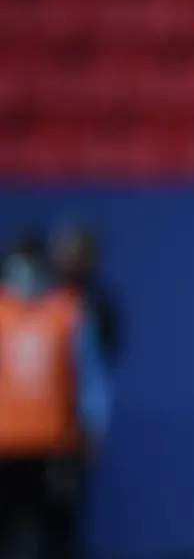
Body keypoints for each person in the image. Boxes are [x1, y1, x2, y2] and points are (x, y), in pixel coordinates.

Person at [0, 234, 110, 559]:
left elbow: (90, 377)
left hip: (55, 444)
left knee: (54, 532)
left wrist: (93, 425)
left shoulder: (68, 310)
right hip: (5, 447)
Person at [50, 225, 121, 367]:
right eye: (68, 252)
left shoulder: (98, 304)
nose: (72, 259)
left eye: (79, 253)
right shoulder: (40, 300)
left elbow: (108, 346)